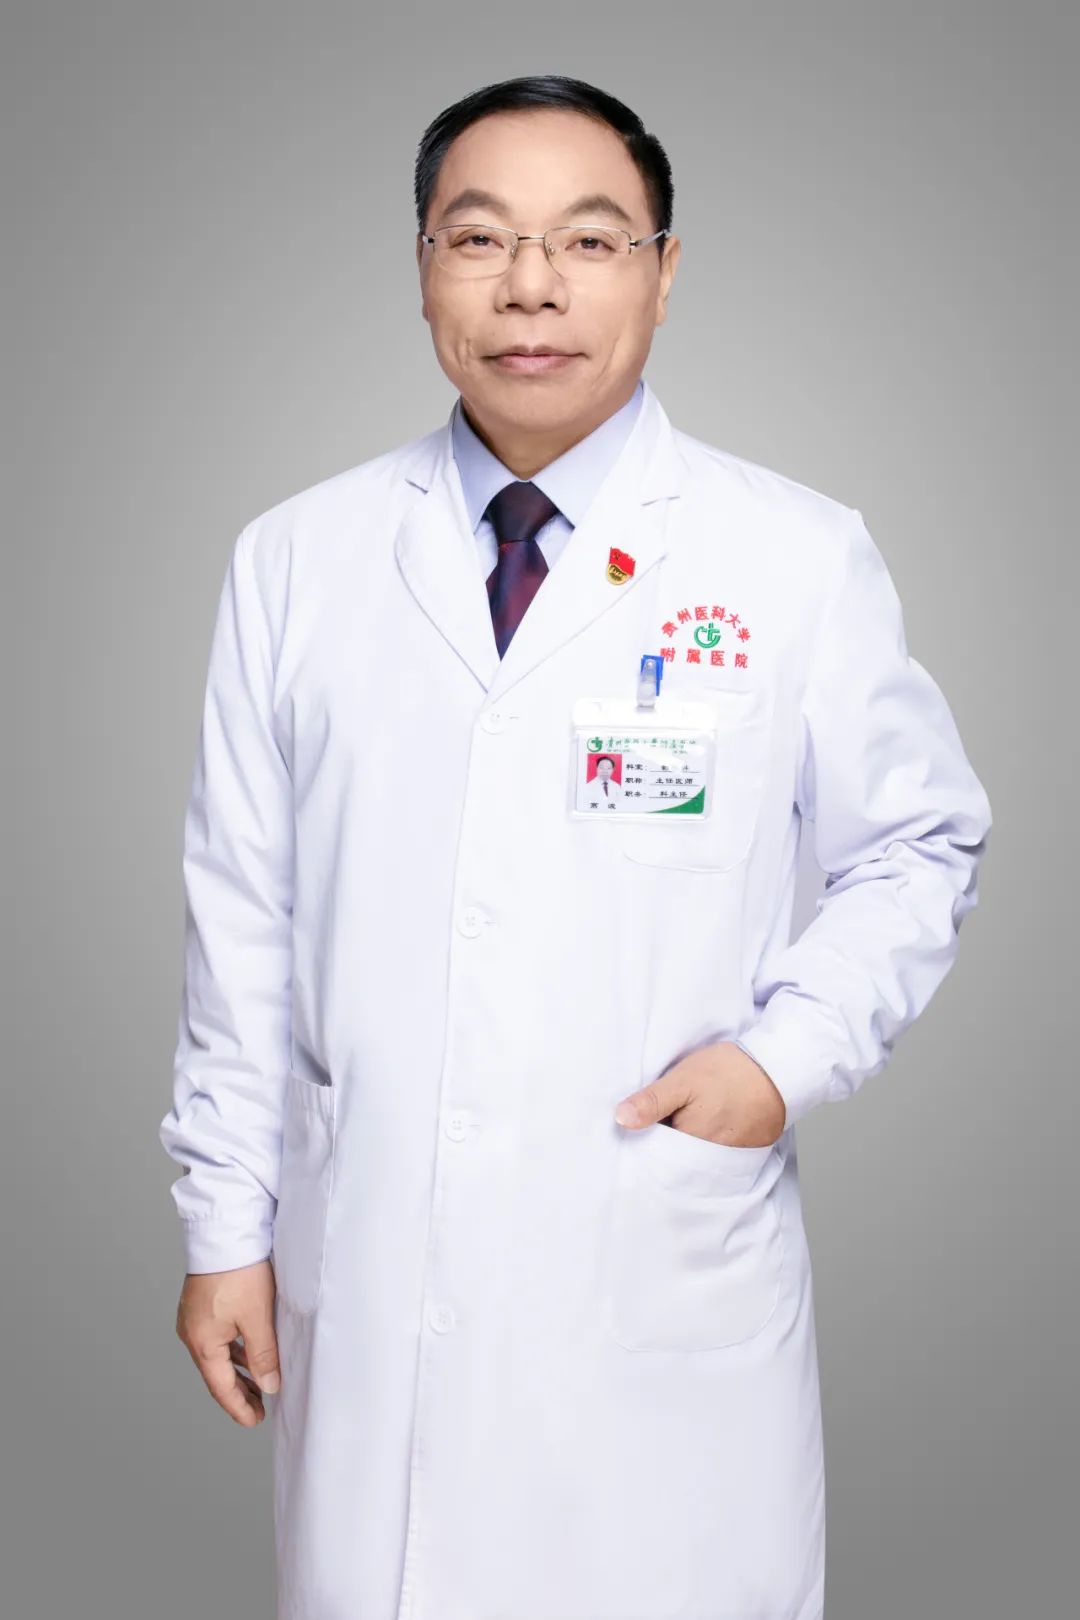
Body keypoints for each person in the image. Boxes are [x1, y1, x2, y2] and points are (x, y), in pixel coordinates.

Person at [159, 73, 993, 1620]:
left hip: (653, 1265)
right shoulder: (298, 560)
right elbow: (242, 918)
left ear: (664, 274)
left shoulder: (792, 555)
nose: (531, 288)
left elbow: (920, 842)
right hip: (378, 1263)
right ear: (423, 266)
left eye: (590, 241)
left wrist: (783, 1060)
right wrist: (225, 1227)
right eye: (480, 238)